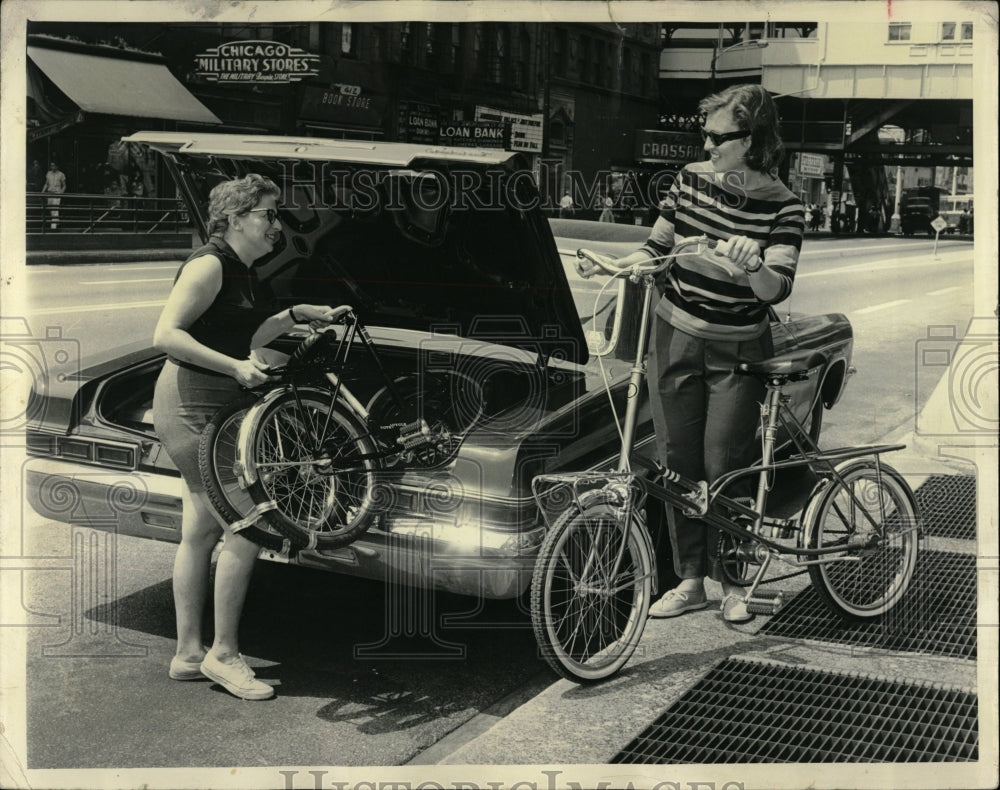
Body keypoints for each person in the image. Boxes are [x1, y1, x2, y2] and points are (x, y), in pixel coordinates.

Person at [152, 173, 347, 700]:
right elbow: (167, 334)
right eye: (269, 214)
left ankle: (189, 653)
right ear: (237, 218)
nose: (277, 225)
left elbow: (244, 333)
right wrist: (237, 369)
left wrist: (294, 314)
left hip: (209, 401)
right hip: (192, 403)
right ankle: (224, 655)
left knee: (199, 530)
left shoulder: (243, 269)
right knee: (247, 525)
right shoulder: (210, 264)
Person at [613, 84, 804, 623]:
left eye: (719, 136)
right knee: (678, 462)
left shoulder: (785, 206)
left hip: (737, 347)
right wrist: (620, 263)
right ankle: (691, 579)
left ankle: (735, 582)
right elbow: (657, 247)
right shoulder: (690, 180)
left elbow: (777, 289)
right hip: (673, 332)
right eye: (706, 132)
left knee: (725, 464)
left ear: (753, 140)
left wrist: (753, 265)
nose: (708, 142)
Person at [41, 161, 66, 230]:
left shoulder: (61, 174)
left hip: (57, 193)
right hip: (50, 193)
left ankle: (53, 227)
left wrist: (61, 193)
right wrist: (42, 191)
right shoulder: (48, 173)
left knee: (55, 209)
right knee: (51, 209)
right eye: (51, 166)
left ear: (57, 166)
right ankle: (57, 222)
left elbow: (64, 186)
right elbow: (46, 183)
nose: (52, 167)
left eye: (54, 165)